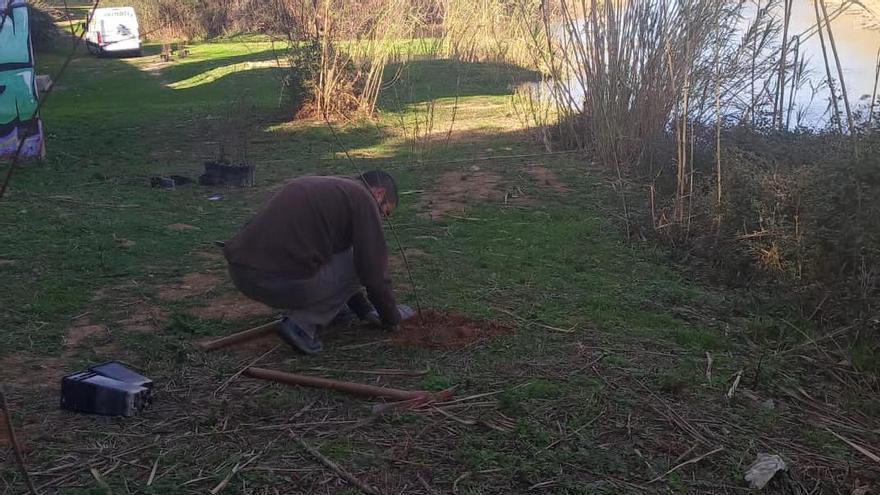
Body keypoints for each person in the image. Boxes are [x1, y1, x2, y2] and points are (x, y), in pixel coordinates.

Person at [223, 170, 415, 354]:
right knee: (363, 258)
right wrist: (391, 318)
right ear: (379, 193)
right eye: (385, 213)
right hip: (275, 281)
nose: (381, 219)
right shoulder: (363, 198)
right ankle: (301, 326)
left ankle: (334, 310)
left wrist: (364, 310)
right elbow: (372, 274)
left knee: (346, 256)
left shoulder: (328, 188)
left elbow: (336, 261)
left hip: (240, 274)